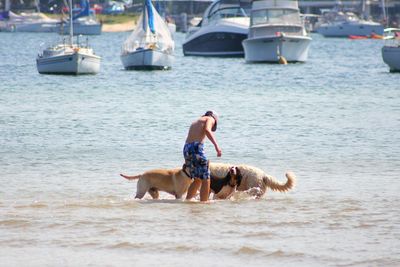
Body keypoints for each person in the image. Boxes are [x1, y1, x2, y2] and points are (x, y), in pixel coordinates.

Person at [183, 111, 222, 202]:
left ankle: (188, 201)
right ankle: (204, 203)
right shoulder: (210, 119)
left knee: (197, 179)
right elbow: (207, 130)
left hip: (186, 148)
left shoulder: (197, 120)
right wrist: (217, 147)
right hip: (196, 148)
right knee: (206, 178)